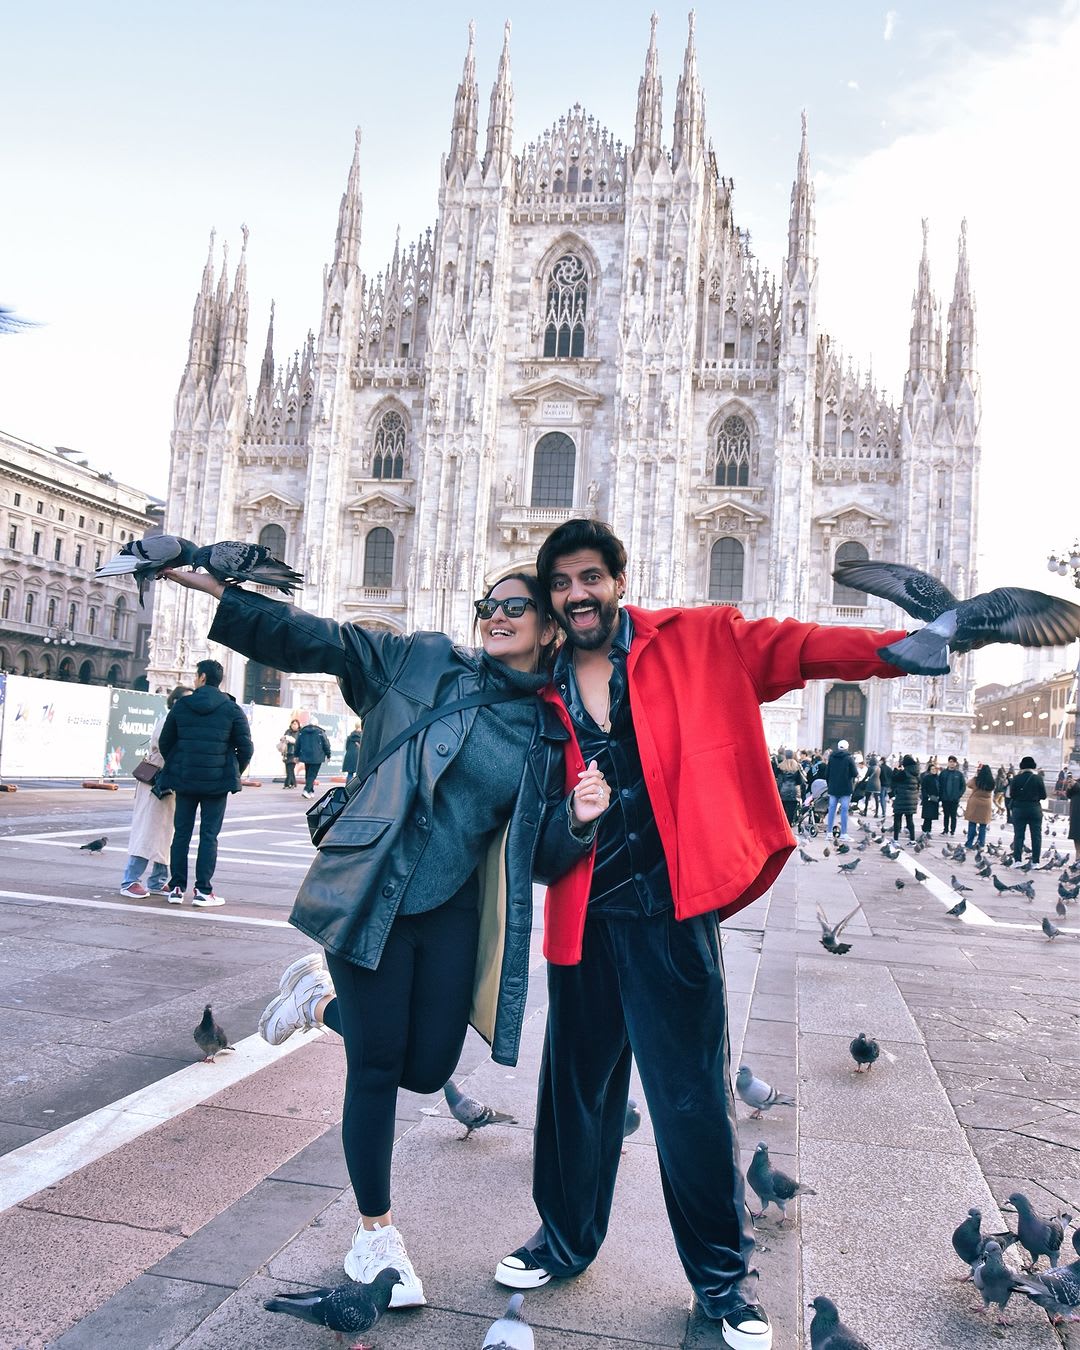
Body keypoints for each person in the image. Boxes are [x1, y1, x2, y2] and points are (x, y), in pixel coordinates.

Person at [492, 518, 910, 1350]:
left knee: (689, 1106)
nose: (578, 595)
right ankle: (566, 1239)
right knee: (574, 1095)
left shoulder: (694, 640)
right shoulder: (536, 689)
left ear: (617, 579)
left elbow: (795, 647)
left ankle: (723, 1283)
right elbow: (525, 824)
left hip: (669, 917)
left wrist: (898, 649)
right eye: (563, 584)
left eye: (590, 578)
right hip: (584, 915)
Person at [162, 564, 607, 1311]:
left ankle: (314, 1003)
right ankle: (376, 1234)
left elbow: (540, 857)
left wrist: (578, 818)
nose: (496, 616)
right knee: (373, 1067)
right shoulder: (420, 659)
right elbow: (318, 640)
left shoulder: (548, 726)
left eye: (514, 607)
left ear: (550, 626)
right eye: (486, 605)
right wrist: (219, 591)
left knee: (428, 1069)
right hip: (373, 887)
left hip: (454, 908)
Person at [158, 659, 253, 907]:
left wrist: (180, 763)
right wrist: (231, 769)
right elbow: (246, 748)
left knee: (182, 834)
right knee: (209, 836)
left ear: (201, 677)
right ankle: (203, 891)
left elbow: (166, 742)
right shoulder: (232, 709)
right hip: (216, 783)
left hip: (186, 779)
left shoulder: (182, 706)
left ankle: (177, 888)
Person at [119, 685, 191, 897]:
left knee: (166, 832)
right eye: (185, 701)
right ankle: (130, 880)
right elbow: (167, 748)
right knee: (148, 830)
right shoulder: (169, 721)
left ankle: (157, 880)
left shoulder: (179, 722)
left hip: (170, 782)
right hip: (157, 781)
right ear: (175, 702)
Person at [1007, 754, 1046, 864]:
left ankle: (1017, 860)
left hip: (1019, 809)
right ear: (1033, 766)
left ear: (1022, 767)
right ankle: (1035, 862)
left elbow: (1012, 794)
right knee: (1036, 836)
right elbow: (1044, 796)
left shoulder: (1016, 778)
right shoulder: (1038, 778)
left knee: (1019, 835)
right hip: (1034, 809)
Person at [825, 738, 858, 840]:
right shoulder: (849, 758)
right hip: (845, 788)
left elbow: (827, 773)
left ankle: (829, 832)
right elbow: (855, 773)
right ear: (847, 747)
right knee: (844, 811)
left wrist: (830, 784)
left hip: (833, 788)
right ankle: (843, 833)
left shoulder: (832, 757)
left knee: (831, 810)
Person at [296, 717, 332, 799]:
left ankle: (311, 791)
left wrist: (296, 755)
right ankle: (306, 790)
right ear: (316, 724)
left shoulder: (302, 732)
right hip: (317, 756)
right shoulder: (320, 732)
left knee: (308, 773)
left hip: (305, 755)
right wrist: (328, 755)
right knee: (312, 775)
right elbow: (326, 744)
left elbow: (298, 744)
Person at [963, 763, 995, 849]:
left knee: (972, 824)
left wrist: (976, 775)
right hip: (986, 804)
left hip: (975, 803)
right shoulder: (991, 781)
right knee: (983, 825)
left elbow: (968, 784)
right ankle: (981, 844)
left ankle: (969, 843)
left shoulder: (976, 780)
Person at [890, 754, 919, 842]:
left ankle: (895, 839)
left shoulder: (904, 772)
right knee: (909, 819)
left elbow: (894, 779)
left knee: (897, 817)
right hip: (912, 800)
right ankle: (912, 840)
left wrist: (895, 769)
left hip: (902, 798)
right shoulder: (916, 772)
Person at [774, 749, 806, 827]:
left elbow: (778, 780)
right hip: (793, 792)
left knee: (783, 811)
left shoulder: (780, 766)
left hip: (782, 791)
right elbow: (800, 781)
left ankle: (782, 826)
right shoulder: (797, 766)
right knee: (791, 813)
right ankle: (788, 827)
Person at [938, 755, 965, 836]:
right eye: (950, 762)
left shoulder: (959, 774)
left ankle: (952, 831)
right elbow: (939, 784)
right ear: (948, 762)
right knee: (946, 815)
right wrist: (941, 795)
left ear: (956, 763)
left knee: (953, 816)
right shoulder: (943, 773)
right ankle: (945, 830)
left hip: (954, 799)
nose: (952, 763)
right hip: (945, 798)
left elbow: (963, 786)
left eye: (953, 762)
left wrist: (958, 795)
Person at [919, 757, 941, 836]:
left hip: (935, 799)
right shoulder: (926, 778)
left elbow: (940, 788)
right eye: (932, 769)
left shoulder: (938, 778)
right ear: (929, 770)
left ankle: (928, 829)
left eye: (935, 769)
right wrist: (926, 796)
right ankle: (925, 829)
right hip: (928, 799)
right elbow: (923, 788)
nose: (934, 771)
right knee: (927, 816)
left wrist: (939, 797)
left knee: (931, 816)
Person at [278, 718, 300, 788]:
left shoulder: (299, 733)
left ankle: (287, 784)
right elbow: (283, 739)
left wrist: (291, 740)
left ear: (298, 725)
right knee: (289, 768)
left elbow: (298, 742)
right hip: (287, 753)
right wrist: (284, 738)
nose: (294, 725)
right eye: (293, 724)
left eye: (295, 724)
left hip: (294, 753)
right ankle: (293, 783)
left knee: (290, 768)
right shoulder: (288, 731)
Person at [1066, 770, 1080, 862]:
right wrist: (1069, 787)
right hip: (1076, 813)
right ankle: (1078, 856)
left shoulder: (1077, 784)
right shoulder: (1077, 782)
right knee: (1076, 835)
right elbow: (1069, 795)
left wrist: (1075, 785)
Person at [877, 754, 893, 819]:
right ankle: (884, 811)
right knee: (885, 798)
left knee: (882, 798)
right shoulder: (889, 768)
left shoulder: (880, 768)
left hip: (882, 784)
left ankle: (884, 812)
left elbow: (878, 776)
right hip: (888, 785)